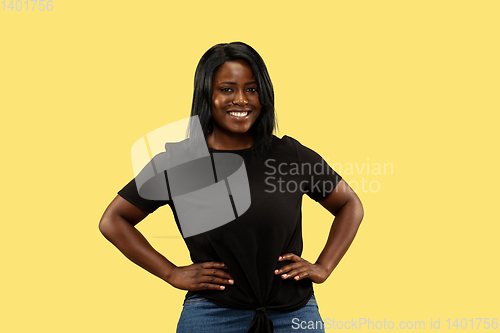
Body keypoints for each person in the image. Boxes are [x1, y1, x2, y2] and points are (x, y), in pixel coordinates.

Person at [99, 42, 364, 333]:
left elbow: (350, 204)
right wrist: (170, 272)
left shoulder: (289, 156)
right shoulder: (180, 162)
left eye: (251, 89)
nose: (241, 100)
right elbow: (113, 220)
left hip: (295, 317)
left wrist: (323, 267)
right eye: (227, 89)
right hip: (211, 317)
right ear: (207, 95)